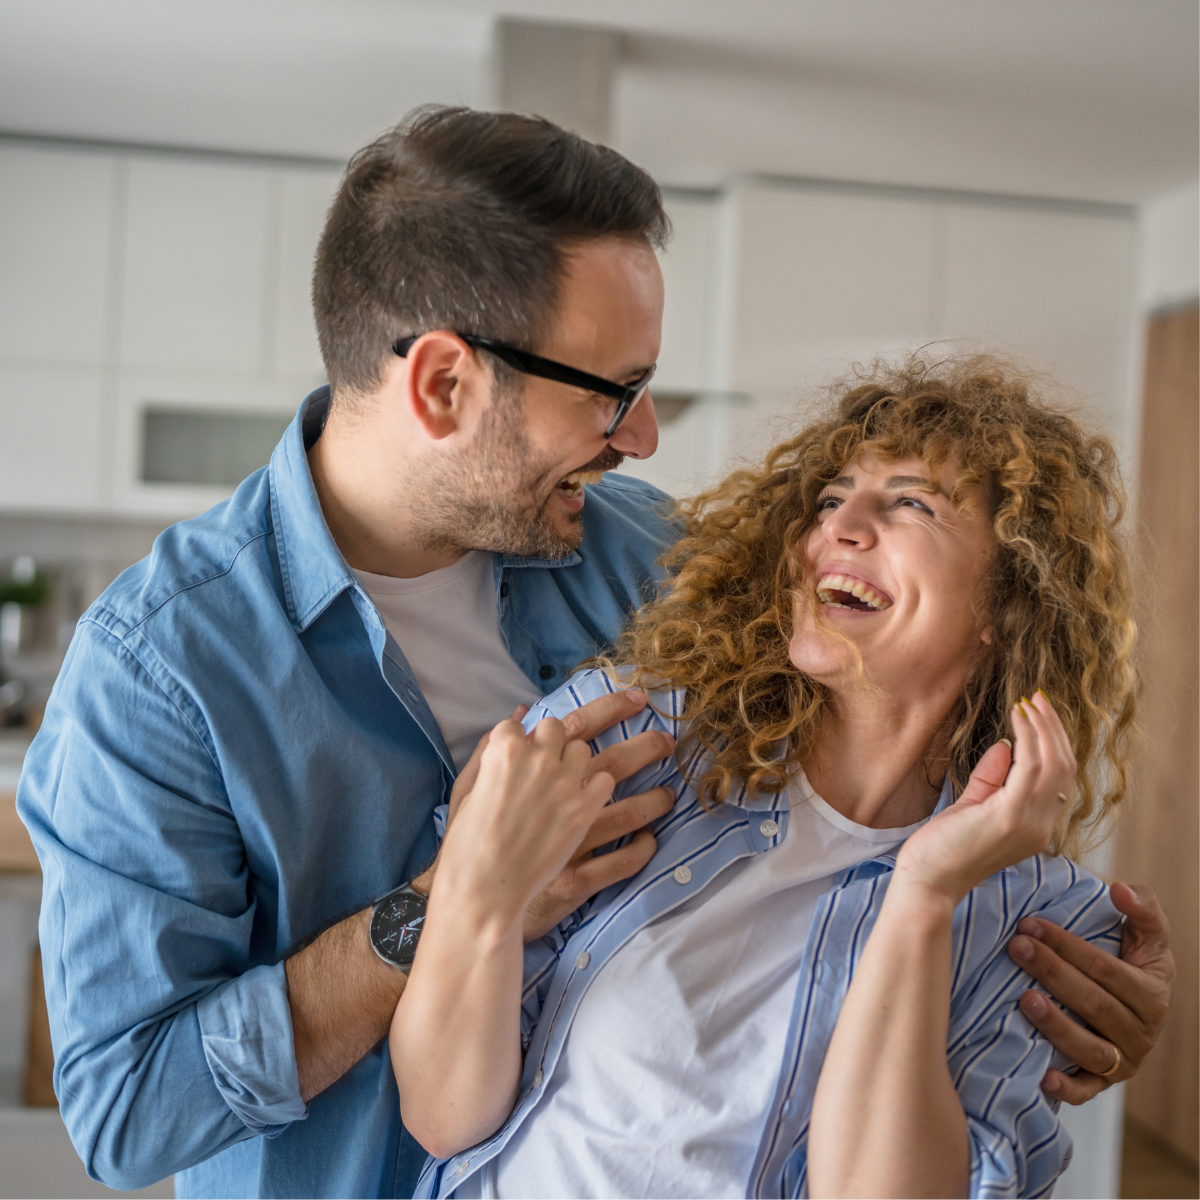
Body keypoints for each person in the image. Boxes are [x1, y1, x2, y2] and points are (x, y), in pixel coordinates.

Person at [16, 107, 1169, 1198]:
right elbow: (126, 1112)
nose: (646, 436)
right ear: (445, 384)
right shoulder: (159, 670)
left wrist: (1049, 988)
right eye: (616, 392)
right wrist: (443, 902)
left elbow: (898, 742)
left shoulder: (663, 570)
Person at [393, 356, 1175, 1199]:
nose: (837, 528)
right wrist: (482, 887)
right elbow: (443, 1117)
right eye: (831, 499)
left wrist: (923, 897)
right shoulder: (624, 738)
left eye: (910, 503)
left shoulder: (1043, 922)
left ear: (1008, 598)